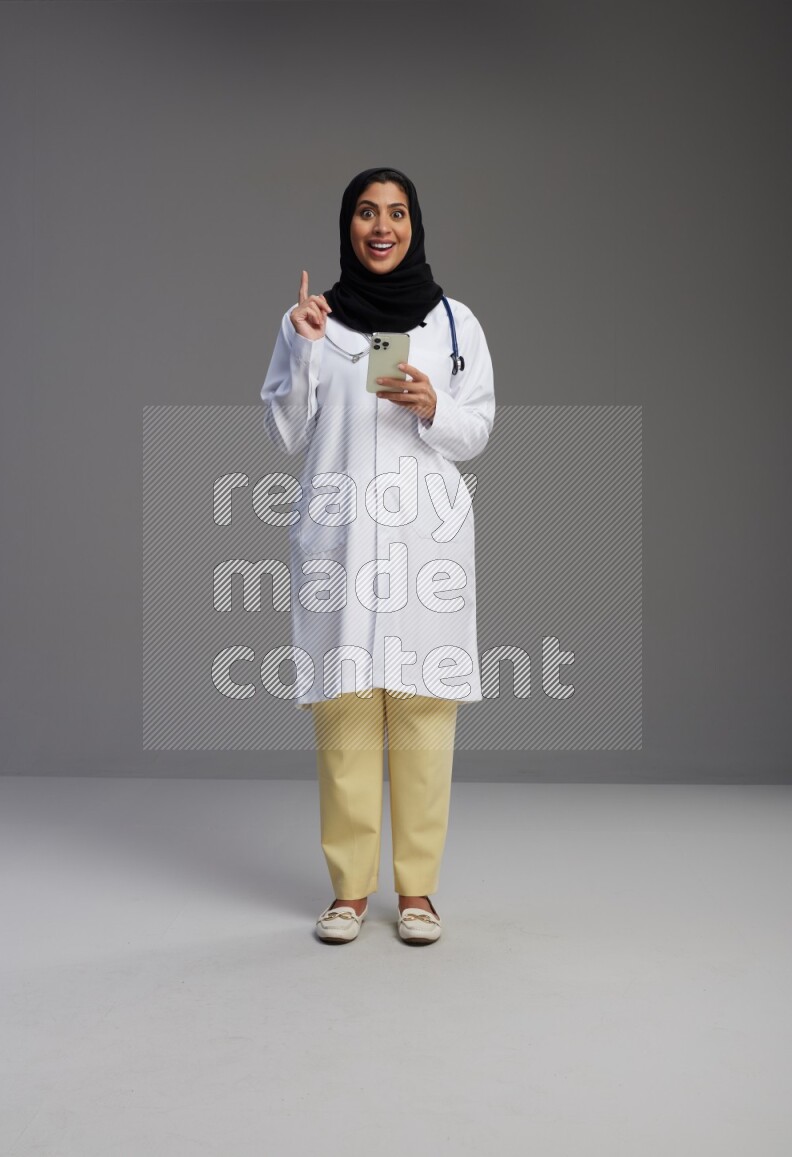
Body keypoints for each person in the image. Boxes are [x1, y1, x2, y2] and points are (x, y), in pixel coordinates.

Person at [260, 166, 495, 944]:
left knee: (426, 714)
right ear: (348, 226)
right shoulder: (315, 323)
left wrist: (436, 409)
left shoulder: (453, 322)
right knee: (347, 715)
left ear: (415, 224)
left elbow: (479, 429)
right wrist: (299, 350)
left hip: (424, 543)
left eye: (395, 212)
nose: (381, 225)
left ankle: (418, 891)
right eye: (366, 211)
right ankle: (350, 892)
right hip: (342, 541)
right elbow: (286, 433)